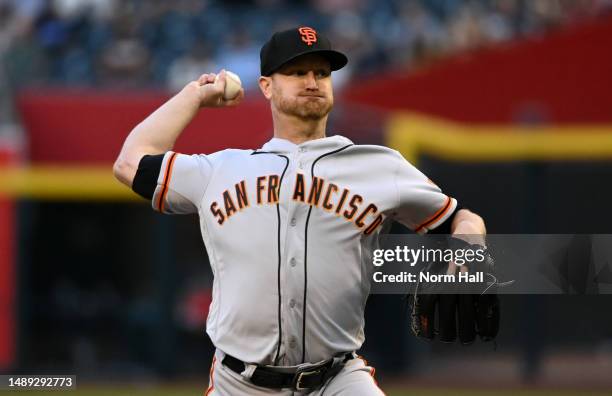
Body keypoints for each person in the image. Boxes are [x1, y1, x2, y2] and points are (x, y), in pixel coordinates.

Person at [113, 26, 492, 395]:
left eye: (322, 73)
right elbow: (129, 163)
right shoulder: (221, 170)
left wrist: (470, 247)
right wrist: (193, 95)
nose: (312, 81)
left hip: (338, 379)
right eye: (296, 72)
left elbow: (461, 217)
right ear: (266, 86)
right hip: (239, 384)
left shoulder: (380, 166)